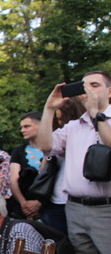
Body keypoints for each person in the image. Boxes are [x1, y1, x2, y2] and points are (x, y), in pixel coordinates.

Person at [37, 70, 111, 254]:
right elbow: (45, 145)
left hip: (106, 208)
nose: (87, 90)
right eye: (83, 86)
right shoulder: (74, 126)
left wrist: (97, 114)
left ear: (110, 91)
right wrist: (49, 109)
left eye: (95, 85)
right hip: (75, 208)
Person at [39, 97, 86, 235]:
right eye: (58, 119)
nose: (61, 123)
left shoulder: (86, 131)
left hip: (78, 199)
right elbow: (42, 167)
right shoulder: (57, 136)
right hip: (56, 198)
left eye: (64, 118)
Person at [8, 111, 44, 220]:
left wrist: (40, 203)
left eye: (27, 126)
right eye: (22, 127)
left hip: (50, 206)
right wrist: (24, 204)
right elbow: (13, 179)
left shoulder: (55, 148)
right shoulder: (18, 151)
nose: (22, 130)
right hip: (23, 206)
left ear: (41, 125)